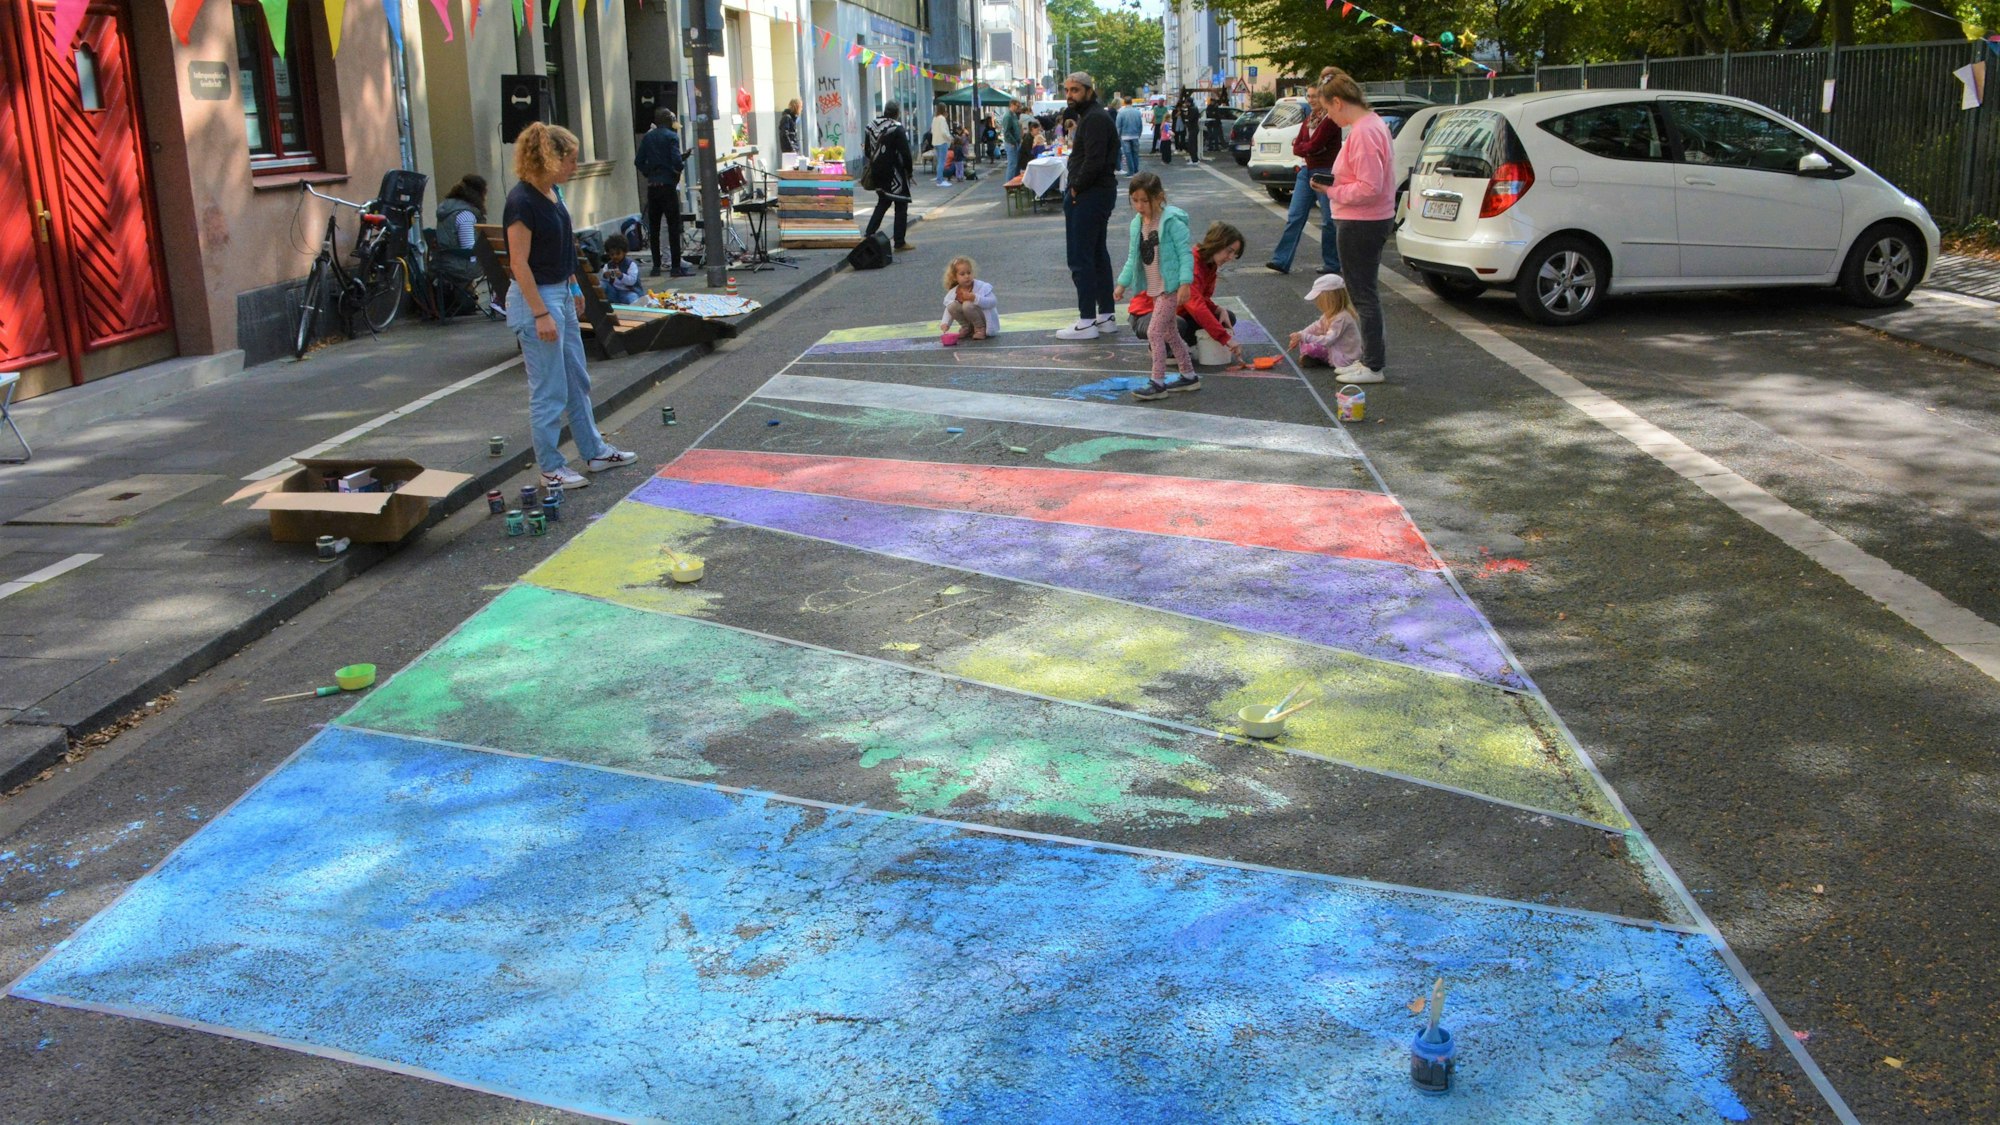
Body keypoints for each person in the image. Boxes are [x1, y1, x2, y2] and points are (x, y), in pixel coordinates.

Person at [501, 122, 638, 491]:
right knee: (549, 390)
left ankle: (593, 451)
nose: (576, 167)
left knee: (576, 380)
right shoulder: (522, 202)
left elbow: (563, 246)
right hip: (539, 301)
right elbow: (519, 263)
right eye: (571, 160)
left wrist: (574, 284)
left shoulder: (552, 192)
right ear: (549, 157)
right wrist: (541, 313)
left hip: (559, 292)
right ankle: (551, 468)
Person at [1312, 70, 1395, 384]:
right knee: (1364, 294)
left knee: (1363, 296)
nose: (1330, 118)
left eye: (1329, 110)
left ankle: (1373, 365)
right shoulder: (1371, 124)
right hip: (1366, 219)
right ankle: (1370, 360)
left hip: (1362, 221)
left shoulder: (1363, 131)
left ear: (1338, 102)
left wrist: (1332, 191)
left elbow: (1369, 187)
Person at [1112, 172, 1198, 400]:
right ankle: (1189, 375)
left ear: (1159, 197)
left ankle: (1157, 382)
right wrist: (1122, 284)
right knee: (1170, 334)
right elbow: (1133, 257)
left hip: (1169, 288)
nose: (1139, 206)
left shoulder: (1172, 223)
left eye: (1144, 200)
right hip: (1154, 288)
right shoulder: (1137, 224)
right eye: (1135, 200)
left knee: (1154, 331)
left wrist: (1185, 283)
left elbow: (1185, 255)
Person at [1055, 72, 1120, 341]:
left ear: (1089, 91)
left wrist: (1075, 187)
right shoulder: (1094, 116)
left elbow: (1094, 161)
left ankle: (1086, 321)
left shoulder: (1094, 118)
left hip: (1090, 195)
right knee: (1096, 254)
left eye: (1076, 90)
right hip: (1098, 193)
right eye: (1067, 90)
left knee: (1080, 257)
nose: (1070, 95)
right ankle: (1105, 316)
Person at [1266, 83, 1341, 277]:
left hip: (1324, 172)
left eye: (1315, 96)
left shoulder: (1330, 120)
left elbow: (1315, 144)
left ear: (1324, 97)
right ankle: (1281, 260)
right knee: (1295, 216)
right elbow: (1298, 147)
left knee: (1328, 221)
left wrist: (1307, 147)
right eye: (1308, 96)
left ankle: (1332, 263)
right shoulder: (1310, 118)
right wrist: (1307, 147)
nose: (1311, 100)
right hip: (1306, 171)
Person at [635, 107, 693, 277]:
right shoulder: (671, 137)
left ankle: (656, 267)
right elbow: (675, 161)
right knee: (673, 226)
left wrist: (649, 172)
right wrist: (679, 166)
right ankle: (675, 267)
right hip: (667, 187)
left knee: (654, 228)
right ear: (668, 121)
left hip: (653, 187)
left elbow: (638, 161)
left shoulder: (648, 137)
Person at [1178, 221, 1246, 362]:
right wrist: (1225, 338)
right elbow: (1195, 305)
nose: (1230, 258)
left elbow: (1200, 298)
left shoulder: (1210, 264)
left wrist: (1218, 309)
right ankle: (1159, 346)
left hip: (1182, 312)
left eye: (1234, 254)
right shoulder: (1192, 264)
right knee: (1177, 324)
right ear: (1217, 243)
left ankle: (1182, 343)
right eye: (1229, 251)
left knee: (1227, 317)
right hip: (1154, 315)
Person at [864, 101, 916, 252]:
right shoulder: (896, 128)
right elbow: (906, 153)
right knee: (901, 204)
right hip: (894, 174)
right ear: (897, 113)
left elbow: (867, 151)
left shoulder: (870, 126)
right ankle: (899, 242)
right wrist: (909, 171)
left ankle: (869, 234)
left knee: (883, 202)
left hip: (877, 172)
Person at [1290, 273, 1363, 368]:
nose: (1317, 302)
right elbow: (1317, 326)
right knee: (1306, 342)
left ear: (1329, 299)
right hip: (1336, 348)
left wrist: (1304, 336)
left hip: (1345, 356)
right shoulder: (1331, 313)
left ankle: (1322, 359)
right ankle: (1317, 358)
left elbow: (1328, 340)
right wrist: (1300, 334)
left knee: (1310, 347)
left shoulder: (1341, 318)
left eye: (1318, 299)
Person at [432, 174, 486, 302]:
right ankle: (500, 302)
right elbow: (469, 248)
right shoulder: (465, 214)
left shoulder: (447, 209)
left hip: (443, 263)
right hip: (460, 267)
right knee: (499, 263)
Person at [940, 256, 1000, 341]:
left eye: (969, 273)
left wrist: (975, 298)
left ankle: (980, 328)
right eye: (962, 274)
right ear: (954, 277)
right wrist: (945, 323)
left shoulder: (981, 286)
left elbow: (993, 302)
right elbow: (948, 309)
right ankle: (966, 327)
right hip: (971, 320)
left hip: (984, 320)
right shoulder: (954, 292)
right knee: (952, 306)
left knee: (967, 305)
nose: (967, 276)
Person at [1115, 96, 1144, 176]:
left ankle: (1131, 171)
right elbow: (1140, 125)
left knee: (1128, 154)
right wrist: (1139, 134)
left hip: (1125, 136)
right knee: (1135, 153)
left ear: (1124, 102)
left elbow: (1118, 126)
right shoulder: (1137, 112)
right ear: (1132, 102)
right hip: (1135, 135)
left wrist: (1118, 135)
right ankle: (1136, 170)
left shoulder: (1121, 113)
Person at [1001, 100, 1024, 178]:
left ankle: (1015, 183)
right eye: (1017, 106)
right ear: (1012, 105)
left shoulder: (1013, 115)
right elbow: (1006, 132)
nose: (1018, 108)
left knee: (1016, 164)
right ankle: (1009, 184)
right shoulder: (1008, 116)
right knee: (1012, 165)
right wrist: (1013, 142)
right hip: (1011, 143)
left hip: (1016, 142)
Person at [931, 107, 952, 186]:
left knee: (939, 161)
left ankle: (940, 178)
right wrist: (950, 138)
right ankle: (940, 180)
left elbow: (932, 130)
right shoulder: (942, 119)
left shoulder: (935, 119)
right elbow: (944, 132)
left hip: (935, 142)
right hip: (942, 142)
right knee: (942, 162)